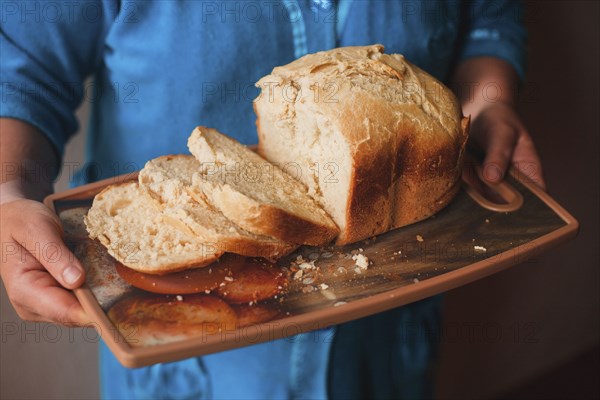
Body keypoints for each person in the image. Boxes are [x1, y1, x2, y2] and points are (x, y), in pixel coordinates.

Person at [1, 1, 545, 398]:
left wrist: (488, 104)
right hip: (182, 353)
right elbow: (23, 72)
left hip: (383, 350)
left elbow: (489, 22)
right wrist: (8, 192)